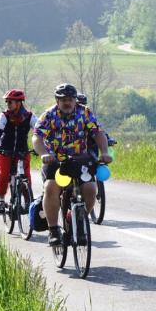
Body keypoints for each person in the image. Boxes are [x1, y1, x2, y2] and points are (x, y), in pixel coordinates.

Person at [32, 83, 112, 246]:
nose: (67, 103)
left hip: (80, 159)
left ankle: (78, 219)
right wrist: (44, 154)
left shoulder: (85, 112)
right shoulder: (48, 115)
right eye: (63, 100)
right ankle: (54, 230)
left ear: (75, 100)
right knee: (51, 188)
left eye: (70, 99)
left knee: (90, 188)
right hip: (55, 160)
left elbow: (98, 133)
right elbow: (37, 137)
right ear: (57, 100)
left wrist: (104, 152)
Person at [0, 89, 39, 214]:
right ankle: (1, 200)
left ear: (19, 103)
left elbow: (40, 131)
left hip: (22, 151)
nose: (8, 105)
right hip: (4, 151)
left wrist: (43, 146)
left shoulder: (29, 116)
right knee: (4, 175)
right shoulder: (4, 116)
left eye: (10, 102)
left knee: (26, 177)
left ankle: (28, 201)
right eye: (7, 102)